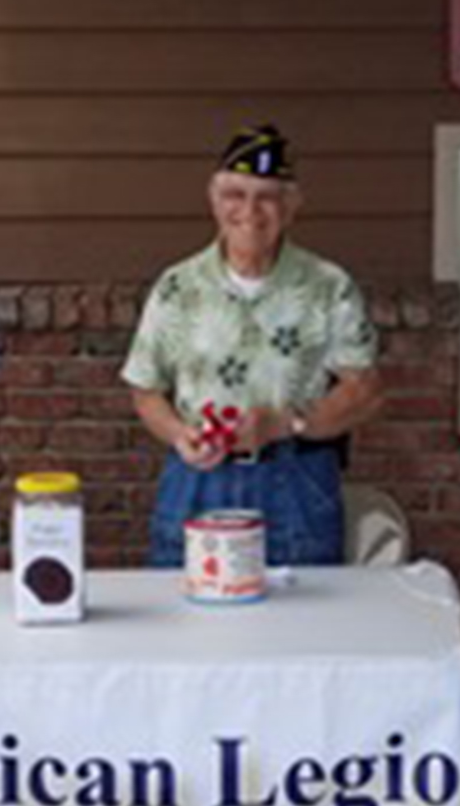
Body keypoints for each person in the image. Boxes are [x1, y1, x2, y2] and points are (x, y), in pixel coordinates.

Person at [121, 124, 382, 567]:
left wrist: (286, 424)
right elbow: (145, 388)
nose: (250, 210)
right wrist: (179, 435)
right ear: (213, 200)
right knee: (184, 622)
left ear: (292, 206)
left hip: (296, 477)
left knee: (302, 624)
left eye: (267, 196)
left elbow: (366, 389)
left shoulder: (327, 286)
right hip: (198, 477)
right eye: (234, 195)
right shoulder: (178, 287)